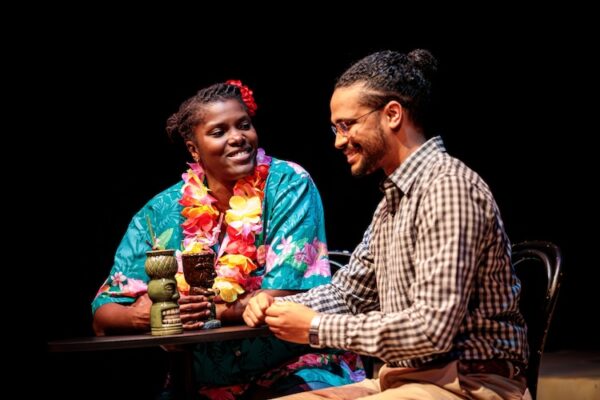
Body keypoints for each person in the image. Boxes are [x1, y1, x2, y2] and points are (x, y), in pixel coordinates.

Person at [244, 50, 530, 399]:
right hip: (405, 379)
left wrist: (316, 326)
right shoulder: (392, 203)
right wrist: (275, 306)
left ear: (392, 114)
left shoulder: (447, 187)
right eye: (335, 128)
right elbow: (349, 294)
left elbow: (432, 329)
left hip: (469, 383)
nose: (338, 141)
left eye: (347, 125)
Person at [92, 80, 365, 399]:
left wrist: (206, 310)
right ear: (194, 149)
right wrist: (141, 316)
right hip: (199, 382)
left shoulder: (288, 185)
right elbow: (103, 314)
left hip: (295, 366)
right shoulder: (159, 212)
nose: (237, 137)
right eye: (219, 131)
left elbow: (286, 296)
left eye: (244, 125)